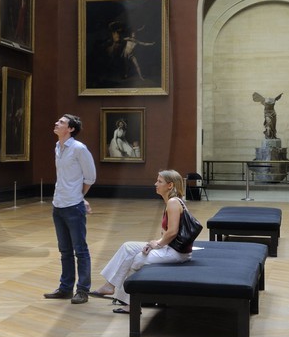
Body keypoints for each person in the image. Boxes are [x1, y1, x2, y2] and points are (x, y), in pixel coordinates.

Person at [93, 170, 194, 314]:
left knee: (137, 259)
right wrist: (154, 243)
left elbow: (172, 232)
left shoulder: (173, 202)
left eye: (159, 181)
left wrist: (157, 244)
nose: (155, 184)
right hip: (169, 247)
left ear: (170, 185)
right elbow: (167, 234)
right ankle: (110, 285)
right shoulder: (171, 202)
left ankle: (130, 304)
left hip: (177, 253)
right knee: (128, 247)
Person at [44, 113, 96, 303]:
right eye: (58, 121)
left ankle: (82, 290)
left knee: (80, 250)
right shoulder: (58, 146)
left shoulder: (79, 149)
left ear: (71, 129)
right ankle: (65, 288)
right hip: (58, 204)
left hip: (73, 206)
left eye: (62, 122)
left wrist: (79, 197)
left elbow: (90, 177)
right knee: (64, 250)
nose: (56, 123)